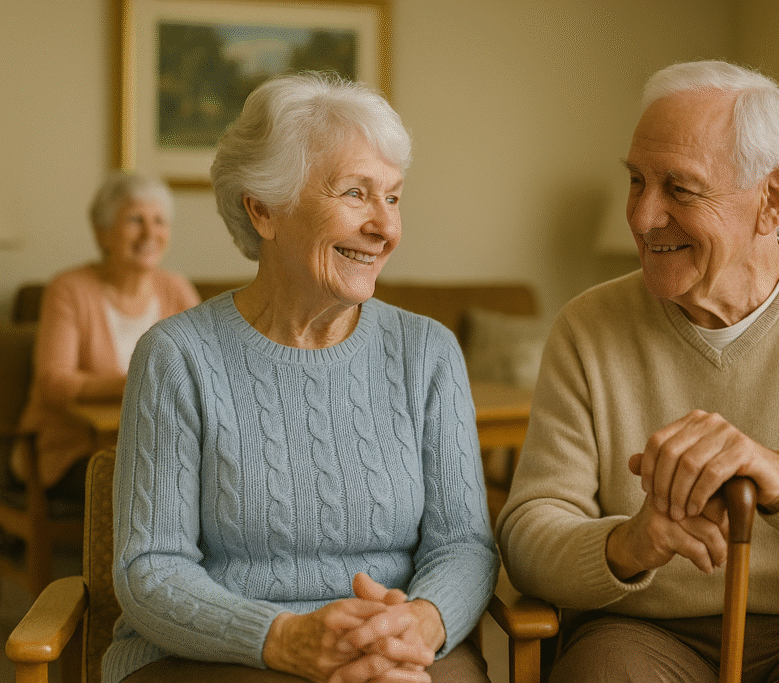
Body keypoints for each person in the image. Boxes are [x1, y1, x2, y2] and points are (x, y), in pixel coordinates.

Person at [496, 60, 779, 682]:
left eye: (679, 189)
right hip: (642, 632)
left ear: (772, 199)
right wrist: (629, 544)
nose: (640, 217)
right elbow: (527, 537)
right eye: (637, 181)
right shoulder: (589, 327)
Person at [104, 72, 499, 683]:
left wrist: (418, 622)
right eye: (354, 194)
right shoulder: (177, 356)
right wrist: (283, 638)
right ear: (263, 209)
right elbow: (151, 568)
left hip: (394, 652)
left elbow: (464, 545)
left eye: (392, 197)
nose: (386, 228)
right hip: (214, 656)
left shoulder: (429, 352)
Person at [13, 171, 200, 499]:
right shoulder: (69, 290)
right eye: (135, 219)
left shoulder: (177, 290)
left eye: (159, 220)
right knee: (148, 478)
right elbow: (53, 383)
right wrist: (139, 382)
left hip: (161, 447)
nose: (150, 233)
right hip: (72, 451)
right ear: (102, 234)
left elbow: (204, 368)